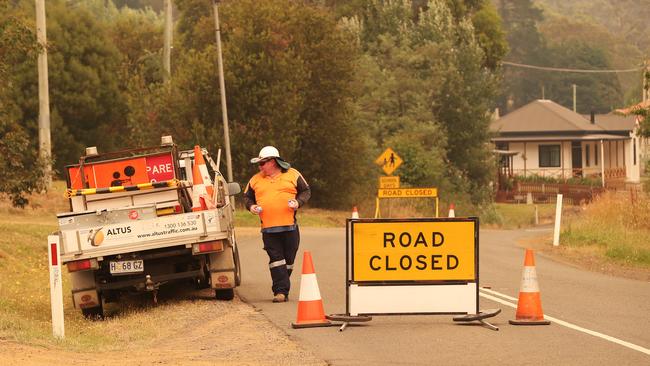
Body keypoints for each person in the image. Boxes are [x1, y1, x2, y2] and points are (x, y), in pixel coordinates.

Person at [244, 146, 311, 303]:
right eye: (259, 164)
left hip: (290, 227)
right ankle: (280, 292)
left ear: (273, 162)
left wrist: (298, 202)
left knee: (288, 260)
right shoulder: (255, 179)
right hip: (268, 229)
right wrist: (251, 207)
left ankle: (282, 283)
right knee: (276, 259)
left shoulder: (293, 174)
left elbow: (306, 191)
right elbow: (247, 197)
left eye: (262, 163)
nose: (260, 167)